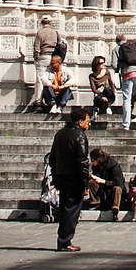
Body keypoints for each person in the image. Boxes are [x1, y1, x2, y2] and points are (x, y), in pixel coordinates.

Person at [49, 106, 93, 252]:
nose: (89, 124)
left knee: (64, 208)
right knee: (72, 210)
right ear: (80, 121)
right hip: (74, 178)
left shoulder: (60, 133)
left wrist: (55, 176)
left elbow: (52, 157)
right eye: (87, 121)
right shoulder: (79, 136)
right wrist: (85, 183)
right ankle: (65, 240)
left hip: (61, 176)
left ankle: (63, 239)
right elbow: (82, 161)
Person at [32, 15, 65, 108]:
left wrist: (36, 58)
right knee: (50, 78)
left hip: (43, 57)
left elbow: (36, 48)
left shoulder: (40, 32)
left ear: (42, 23)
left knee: (40, 79)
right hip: (53, 58)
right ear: (50, 23)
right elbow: (59, 44)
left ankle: (38, 100)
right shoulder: (55, 32)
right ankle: (51, 99)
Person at [116, 33, 136, 129]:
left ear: (117, 41)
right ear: (125, 39)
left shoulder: (119, 48)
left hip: (127, 74)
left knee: (127, 98)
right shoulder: (134, 45)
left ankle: (126, 124)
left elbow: (116, 63)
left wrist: (118, 69)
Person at [88, 147, 126, 213]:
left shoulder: (114, 165)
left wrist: (103, 181)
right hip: (103, 190)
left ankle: (115, 208)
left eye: (93, 160)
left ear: (98, 159)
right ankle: (95, 203)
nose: (92, 162)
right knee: (91, 182)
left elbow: (119, 183)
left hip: (113, 191)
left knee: (117, 188)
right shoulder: (96, 166)